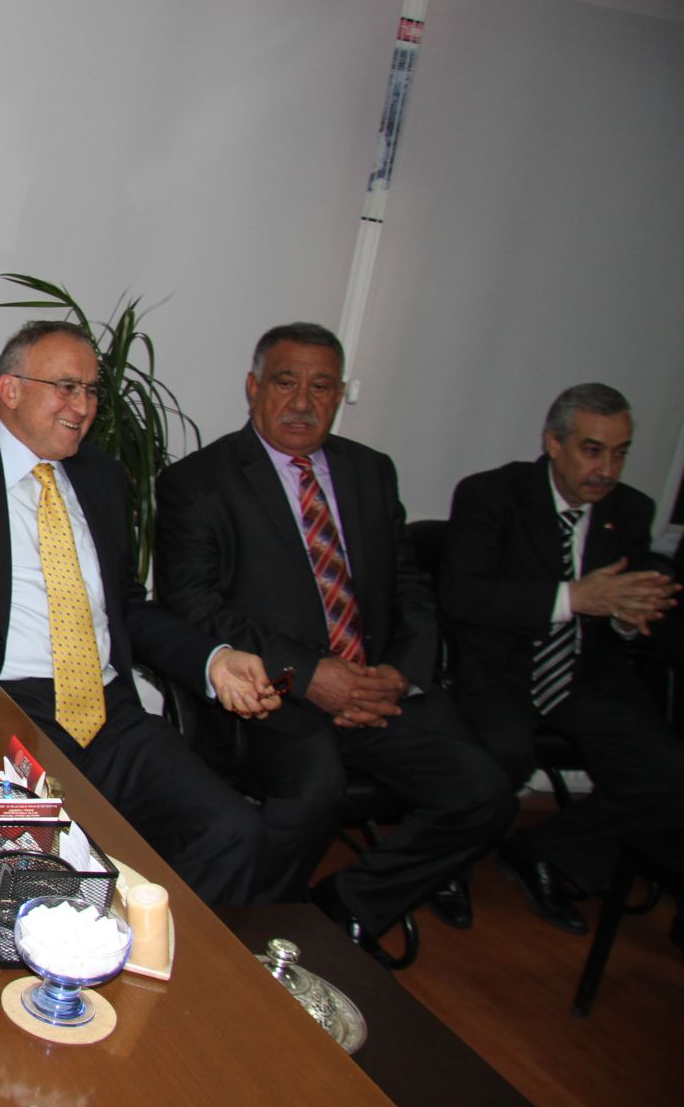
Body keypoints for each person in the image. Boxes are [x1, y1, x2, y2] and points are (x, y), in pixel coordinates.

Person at [0, 320, 278, 905]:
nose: (82, 407)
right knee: (48, 864)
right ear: (10, 389)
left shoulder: (103, 477)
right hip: (1, 704)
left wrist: (212, 660)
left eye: (91, 391)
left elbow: (125, 609)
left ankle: (154, 954)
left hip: (109, 712)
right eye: (66, 387)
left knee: (234, 831)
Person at [155, 322, 513, 960]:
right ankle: (251, 942)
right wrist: (312, 676)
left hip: (375, 690)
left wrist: (399, 673)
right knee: (309, 796)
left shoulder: (369, 471)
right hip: (274, 695)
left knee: (484, 791)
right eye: (285, 383)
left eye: (321, 387)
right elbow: (194, 608)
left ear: (340, 395)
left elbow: (410, 586)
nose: (302, 402)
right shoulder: (200, 482)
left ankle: (344, 909)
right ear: (253, 387)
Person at [441, 383, 684, 933]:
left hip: (583, 673)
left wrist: (627, 616)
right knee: (500, 753)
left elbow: (631, 607)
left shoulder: (631, 510)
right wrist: (574, 598)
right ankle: (444, 868)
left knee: (665, 771)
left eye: (620, 453)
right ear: (554, 443)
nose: (607, 469)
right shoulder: (491, 495)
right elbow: (463, 596)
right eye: (592, 450)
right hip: (500, 667)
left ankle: (547, 854)